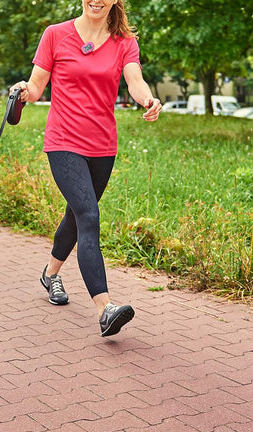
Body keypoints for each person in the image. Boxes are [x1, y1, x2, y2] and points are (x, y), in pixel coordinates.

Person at [10, 0, 162, 337]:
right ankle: (105, 308)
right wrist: (24, 90)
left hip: (103, 145)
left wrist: (148, 100)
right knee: (88, 215)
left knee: (76, 216)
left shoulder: (124, 42)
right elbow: (37, 86)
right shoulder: (56, 35)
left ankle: (50, 275)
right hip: (63, 141)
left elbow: (134, 81)